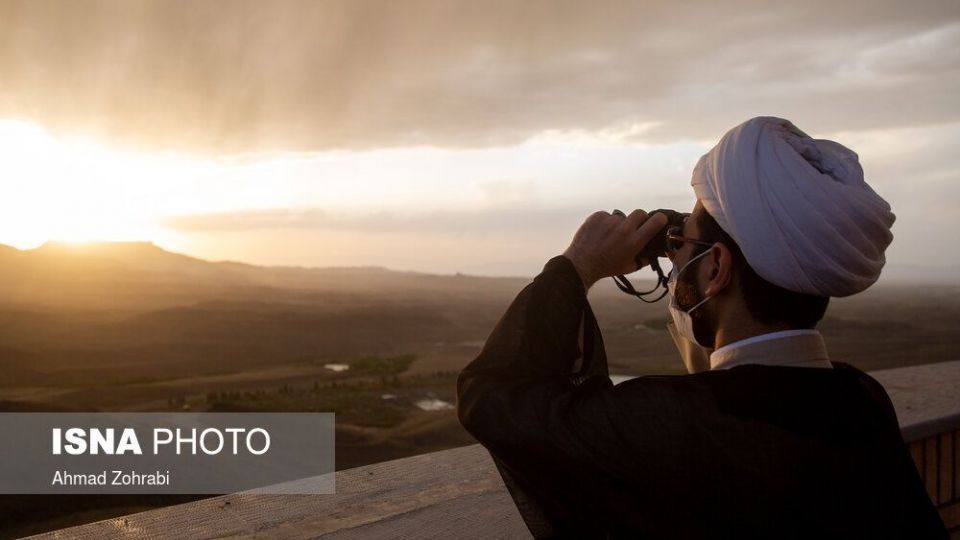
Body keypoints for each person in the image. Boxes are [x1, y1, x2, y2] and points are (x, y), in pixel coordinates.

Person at [457, 117, 949, 539]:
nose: (675, 263)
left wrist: (578, 265)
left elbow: (493, 397)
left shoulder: (673, 426)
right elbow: (726, 389)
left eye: (683, 246)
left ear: (716, 268)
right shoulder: (860, 399)